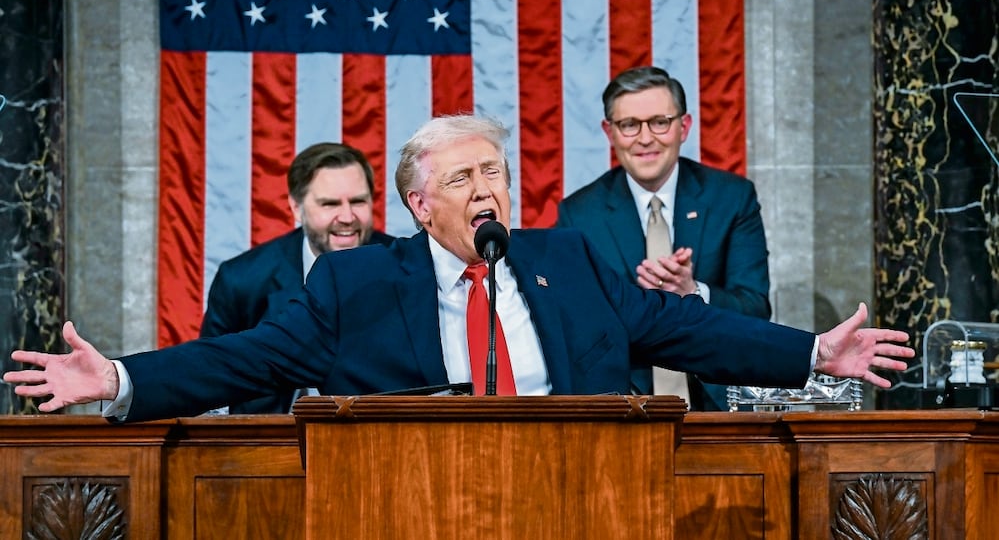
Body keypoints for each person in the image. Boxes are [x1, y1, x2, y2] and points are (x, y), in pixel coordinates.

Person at [4, 115, 913, 423]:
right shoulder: (357, 284)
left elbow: (687, 330)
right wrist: (120, 377)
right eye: (464, 176)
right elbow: (240, 360)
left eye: (496, 172)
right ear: (418, 205)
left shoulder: (569, 259)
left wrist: (808, 356)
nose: (487, 188)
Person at [557, 66, 769, 410]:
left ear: (683, 127)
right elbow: (572, 325)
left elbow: (756, 308)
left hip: (718, 403)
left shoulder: (731, 198)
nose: (645, 138)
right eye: (629, 125)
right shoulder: (579, 214)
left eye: (659, 122)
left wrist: (692, 293)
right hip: (624, 405)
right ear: (609, 132)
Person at [200, 142, 394, 414]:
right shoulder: (242, 280)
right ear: (296, 207)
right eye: (330, 204)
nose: (347, 217)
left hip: (377, 438)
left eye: (358, 201)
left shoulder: (406, 268)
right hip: (270, 442)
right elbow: (211, 377)